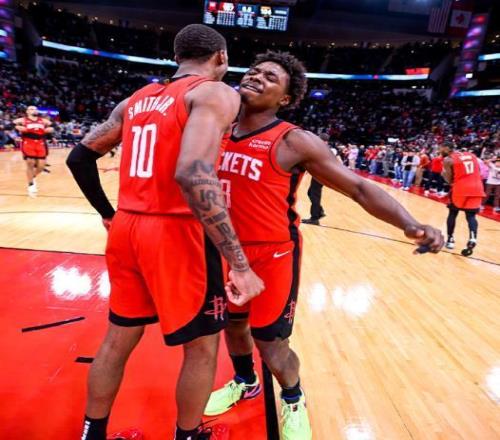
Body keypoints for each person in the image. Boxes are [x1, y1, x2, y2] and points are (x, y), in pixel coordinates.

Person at [206, 51, 444, 440]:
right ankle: (245, 381)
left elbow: (358, 187)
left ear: (286, 98)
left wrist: (410, 224)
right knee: (232, 325)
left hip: (271, 255)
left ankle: (293, 398)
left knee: (271, 343)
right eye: (254, 71)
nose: (256, 77)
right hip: (224, 251)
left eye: (270, 77)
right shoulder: (215, 127)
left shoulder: (294, 140)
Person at [66, 24, 264, 440]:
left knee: (118, 338)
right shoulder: (214, 92)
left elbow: (79, 158)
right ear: (222, 58)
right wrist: (240, 264)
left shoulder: (135, 100)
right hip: (178, 231)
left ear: (177, 57)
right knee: (203, 346)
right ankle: (187, 435)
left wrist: (108, 214)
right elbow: (193, 173)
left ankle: (92, 434)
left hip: (127, 227)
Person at [441, 143, 485, 256]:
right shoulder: (472, 155)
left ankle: (450, 239)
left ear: (446, 149)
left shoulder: (448, 159)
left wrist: (444, 175)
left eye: (441, 149)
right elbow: (480, 171)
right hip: (477, 187)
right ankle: (473, 239)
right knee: (471, 216)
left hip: (460, 188)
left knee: (453, 213)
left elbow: (449, 179)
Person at [13, 106, 54, 195]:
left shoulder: (43, 120)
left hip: (40, 143)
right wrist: (17, 129)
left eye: (35, 109)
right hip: (28, 142)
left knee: (41, 166)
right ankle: (31, 184)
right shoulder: (22, 120)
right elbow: (11, 125)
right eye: (31, 109)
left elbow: (53, 127)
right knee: (30, 162)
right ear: (27, 111)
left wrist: (50, 130)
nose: (34, 110)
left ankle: (33, 176)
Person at [301, 132, 330, 225]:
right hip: (320, 174)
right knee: (310, 193)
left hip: (321, 175)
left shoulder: (323, 149)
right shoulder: (325, 149)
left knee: (315, 195)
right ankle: (319, 211)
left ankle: (314, 218)